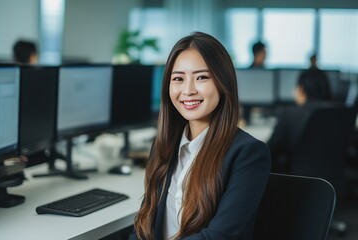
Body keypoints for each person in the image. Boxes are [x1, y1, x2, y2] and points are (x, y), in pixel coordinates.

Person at [129, 32, 271, 240]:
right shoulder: (164, 147)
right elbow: (143, 227)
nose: (188, 90)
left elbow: (219, 237)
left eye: (201, 77)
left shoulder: (248, 153)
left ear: (223, 82)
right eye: (178, 78)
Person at [267, 68, 334, 172]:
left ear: (301, 89)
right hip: (334, 183)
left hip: (298, 182)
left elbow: (269, 151)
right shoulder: (340, 113)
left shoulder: (289, 115)